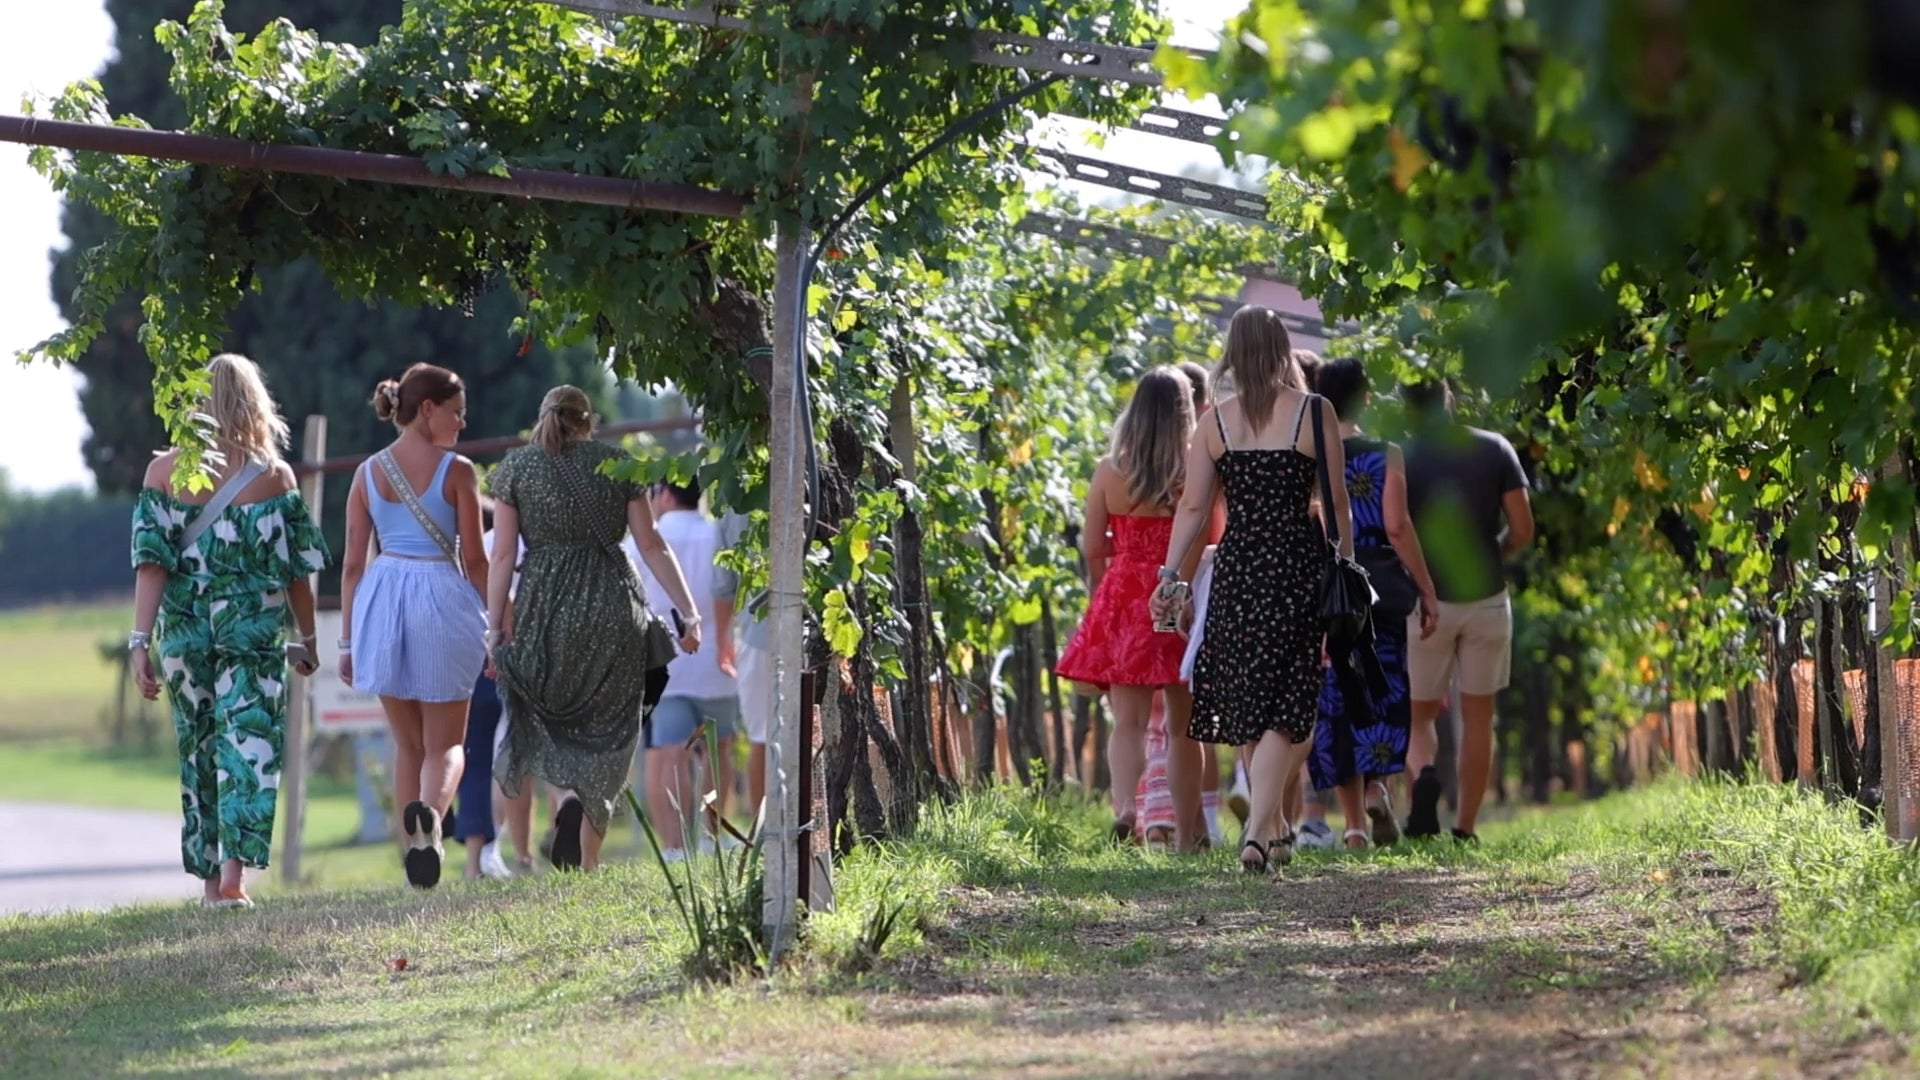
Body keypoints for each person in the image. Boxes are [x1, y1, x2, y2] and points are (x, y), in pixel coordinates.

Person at [1154, 306, 1353, 873]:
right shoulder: (1315, 413)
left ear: (1234, 353)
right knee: (1288, 704)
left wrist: (1172, 576)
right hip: (1297, 566)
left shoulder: (1216, 421)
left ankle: (1269, 825)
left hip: (1239, 568)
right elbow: (1337, 505)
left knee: (1250, 699)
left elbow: (1193, 508)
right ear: (1283, 347)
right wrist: (1348, 569)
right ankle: (1260, 831)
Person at [129, 353, 329, 909]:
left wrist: (140, 643)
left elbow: (152, 564)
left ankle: (212, 886)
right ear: (254, 401)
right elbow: (297, 574)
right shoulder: (275, 476)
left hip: (186, 635)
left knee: (200, 750)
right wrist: (309, 640)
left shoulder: (163, 473)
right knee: (249, 746)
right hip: (252, 634)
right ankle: (235, 879)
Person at [486, 386, 701, 872]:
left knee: (545, 717)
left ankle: (564, 799)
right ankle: (588, 858)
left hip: (545, 609)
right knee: (612, 731)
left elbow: (501, 556)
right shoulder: (617, 463)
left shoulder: (516, 469)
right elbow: (651, 546)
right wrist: (689, 612)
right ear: (589, 420)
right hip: (612, 607)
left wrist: (495, 629)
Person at [339, 363, 490, 889]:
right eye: (456, 412)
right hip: (441, 598)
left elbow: (353, 564)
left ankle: (414, 862)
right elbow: (474, 558)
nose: (461, 423)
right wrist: (495, 624)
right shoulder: (459, 471)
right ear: (428, 409)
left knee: (406, 745)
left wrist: (347, 642)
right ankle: (430, 814)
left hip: (382, 602)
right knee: (447, 746)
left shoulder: (366, 473)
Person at [1057, 366, 1206, 851]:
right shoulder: (1196, 470)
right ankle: (1185, 835)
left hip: (1125, 593)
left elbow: (1090, 544)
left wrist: (1106, 591)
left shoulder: (1110, 470)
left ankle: (1126, 808)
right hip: (1178, 590)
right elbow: (1213, 535)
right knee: (1184, 728)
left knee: (1128, 722)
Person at [1306, 359, 1442, 848]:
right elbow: (1397, 526)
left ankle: (1356, 827)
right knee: (1383, 691)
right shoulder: (1387, 453)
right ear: (1365, 399)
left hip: (1326, 589)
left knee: (1339, 698)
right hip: (1379, 588)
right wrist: (1425, 587)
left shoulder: (1311, 453)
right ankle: (1378, 789)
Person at [1400, 378, 1535, 841]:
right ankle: (1465, 828)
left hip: (1425, 602)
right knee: (1479, 717)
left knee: (1416, 717)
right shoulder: (1495, 449)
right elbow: (1522, 527)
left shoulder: (1402, 457)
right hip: (1487, 600)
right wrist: (1497, 551)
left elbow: (1396, 528)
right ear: (1449, 401)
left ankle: (1423, 778)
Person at [629, 478, 739, 860]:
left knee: (667, 753)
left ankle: (676, 846)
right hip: (717, 663)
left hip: (667, 663)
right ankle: (714, 835)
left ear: (664, 495)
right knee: (718, 750)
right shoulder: (717, 535)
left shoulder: (648, 540)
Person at [714, 509, 771, 820]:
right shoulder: (817, 477)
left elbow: (723, 583)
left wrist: (723, 638)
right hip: (814, 632)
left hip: (757, 632)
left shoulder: (736, 502)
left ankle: (764, 832)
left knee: (761, 735)